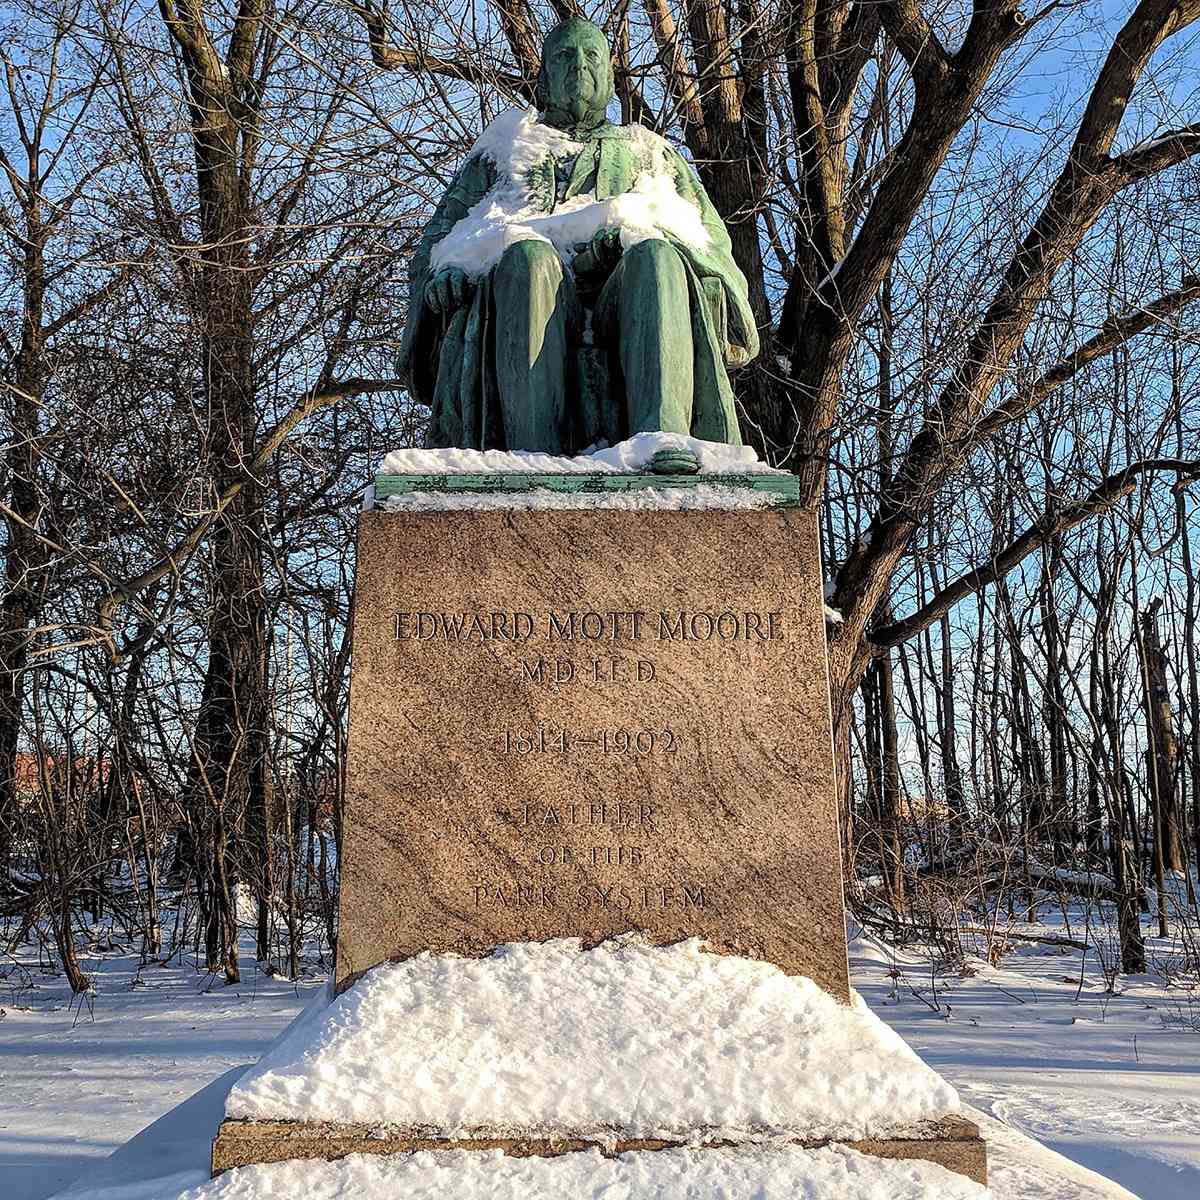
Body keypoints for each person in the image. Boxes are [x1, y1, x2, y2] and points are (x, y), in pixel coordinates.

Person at [395, 17, 759, 467]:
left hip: (626, 298)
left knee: (658, 256)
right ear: (544, 77)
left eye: (591, 56)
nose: (579, 65)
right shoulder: (504, 151)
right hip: (529, 294)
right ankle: (531, 453)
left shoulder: (650, 153)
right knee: (527, 258)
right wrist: (448, 270)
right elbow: (441, 240)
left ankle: (662, 438)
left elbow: (709, 243)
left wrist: (637, 241)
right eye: (565, 56)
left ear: (609, 75)